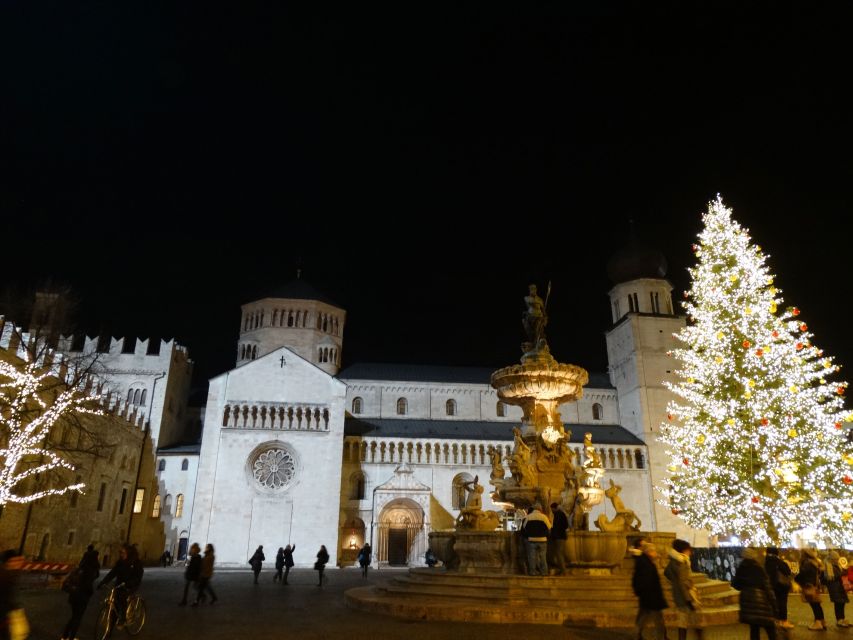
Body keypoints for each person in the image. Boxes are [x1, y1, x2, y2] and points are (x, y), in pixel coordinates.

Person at [731, 548, 777, 640]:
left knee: (754, 629)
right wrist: (774, 606)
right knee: (770, 629)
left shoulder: (741, 568)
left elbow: (735, 584)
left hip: (747, 603)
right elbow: (767, 587)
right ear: (754, 556)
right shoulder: (758, 567)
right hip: (762, 603)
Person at [664, 539, 703, 640]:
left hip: (678, 595)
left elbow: (667, 572)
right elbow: (683, 582)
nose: (690, 552)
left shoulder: (673, 561)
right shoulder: (682, 562)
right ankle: (700, 637)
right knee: (695, 619)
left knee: (682, 620)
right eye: (688, 550)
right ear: (683, 550)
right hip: (686, 596)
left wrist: (674, 581)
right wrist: (689, 599)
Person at [97, 544, 144, 628]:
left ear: (128, 553)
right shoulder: (120, 562)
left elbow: (138, 576)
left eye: (122, 552)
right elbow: (112, 573)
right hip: (120, 584)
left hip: (131, 585)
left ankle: (123, 618)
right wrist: (103, 582)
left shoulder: (136, 563)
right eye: (120, 552)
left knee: (122, 597)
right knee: (115, 601)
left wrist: (130, 583)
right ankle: (109, 630)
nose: (121, 554)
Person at [61, 544, 100, 640]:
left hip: (73, 596)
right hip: (82, 597)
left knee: (74, 616)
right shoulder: (91, 571)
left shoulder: (80, 568)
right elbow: (89, 584)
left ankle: (65, 635)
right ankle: (71, 637)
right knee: (77, 618)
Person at [632, 540, 668, 640]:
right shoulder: (646, 564)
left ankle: (637, 635)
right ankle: (660, 637)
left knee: (643, 617)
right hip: (651, 597)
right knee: (658, 620)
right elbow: (646, 580)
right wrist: (647, 594)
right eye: (653, 551)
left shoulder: (645, 562)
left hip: (648, 596)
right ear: (648, 552)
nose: (655, 553)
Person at [796, 547, 826, 630]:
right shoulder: (815, 562)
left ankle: (818, 623)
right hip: (815, 585)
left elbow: (803, 574)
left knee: (814, 604)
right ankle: (822, 622)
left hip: (809, 585)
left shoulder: (807, 563)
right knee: (817, 604)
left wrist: (796, 579)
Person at [764, 546, 794, 629]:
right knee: (783, 603)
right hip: (781, 585)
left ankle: (776, 620)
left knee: (775, 603)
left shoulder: (766, 562)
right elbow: (787, 571)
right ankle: (783, 621)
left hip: (772, 585)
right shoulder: (778, 561)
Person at [520, 503, 551, 576]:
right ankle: (544, 572)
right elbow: (549, 528)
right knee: (543, 557)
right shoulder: (544, 517)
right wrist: (546, 536)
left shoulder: (528, 517)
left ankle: (533, 572)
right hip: (543, 540)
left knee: (532, 557)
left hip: (531, 540)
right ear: (540, 509)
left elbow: (524, 528)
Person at [1, 550, 26, 640]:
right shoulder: (5, 575)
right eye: (17, 561)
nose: (20, 563)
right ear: (9, 562)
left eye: (21, 561)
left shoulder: (13, 574)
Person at [823, 550, 850, 628]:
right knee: (838, 604)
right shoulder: (828, 566)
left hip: (839, 587)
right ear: (832, 559)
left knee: (841, 603)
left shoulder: (835, 565)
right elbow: (832, 577)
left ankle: (842, 619)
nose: (837, 560)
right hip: (834, 588)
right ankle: (839, 620)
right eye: (835, 559)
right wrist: (844, 573)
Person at [548, 502, 568, 576]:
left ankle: (563, 571)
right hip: (562, 536)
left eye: (552, 509)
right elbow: (566, 525)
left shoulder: (557, 515)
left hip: (559, 537)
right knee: (560, 554)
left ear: (554, 508)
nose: (551, 510)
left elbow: (556, 527)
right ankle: (561, 570)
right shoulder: (562, 514)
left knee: (559, 554)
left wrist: (552, 532)